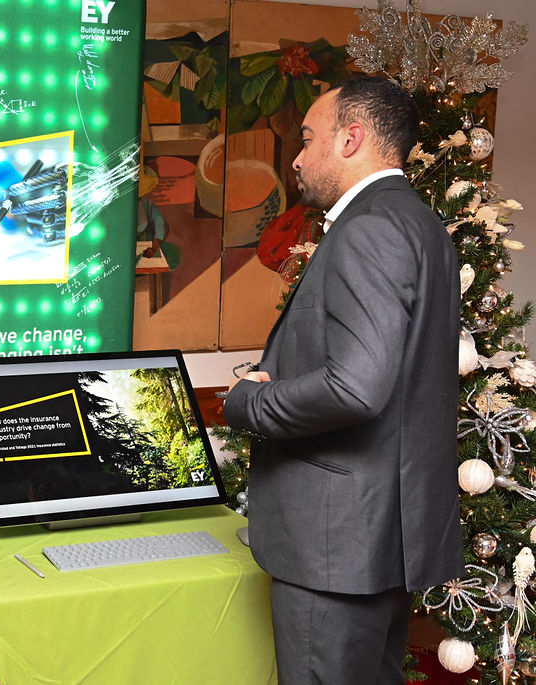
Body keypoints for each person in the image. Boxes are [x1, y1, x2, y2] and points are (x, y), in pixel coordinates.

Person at [223, 77, 464, 684]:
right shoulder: (422, 225)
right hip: (381, 538)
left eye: (307, 139)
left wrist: (250, 401)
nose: (297, 159)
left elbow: (356, 387)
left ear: (351, 139)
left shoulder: (368, 228)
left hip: (336, 544)